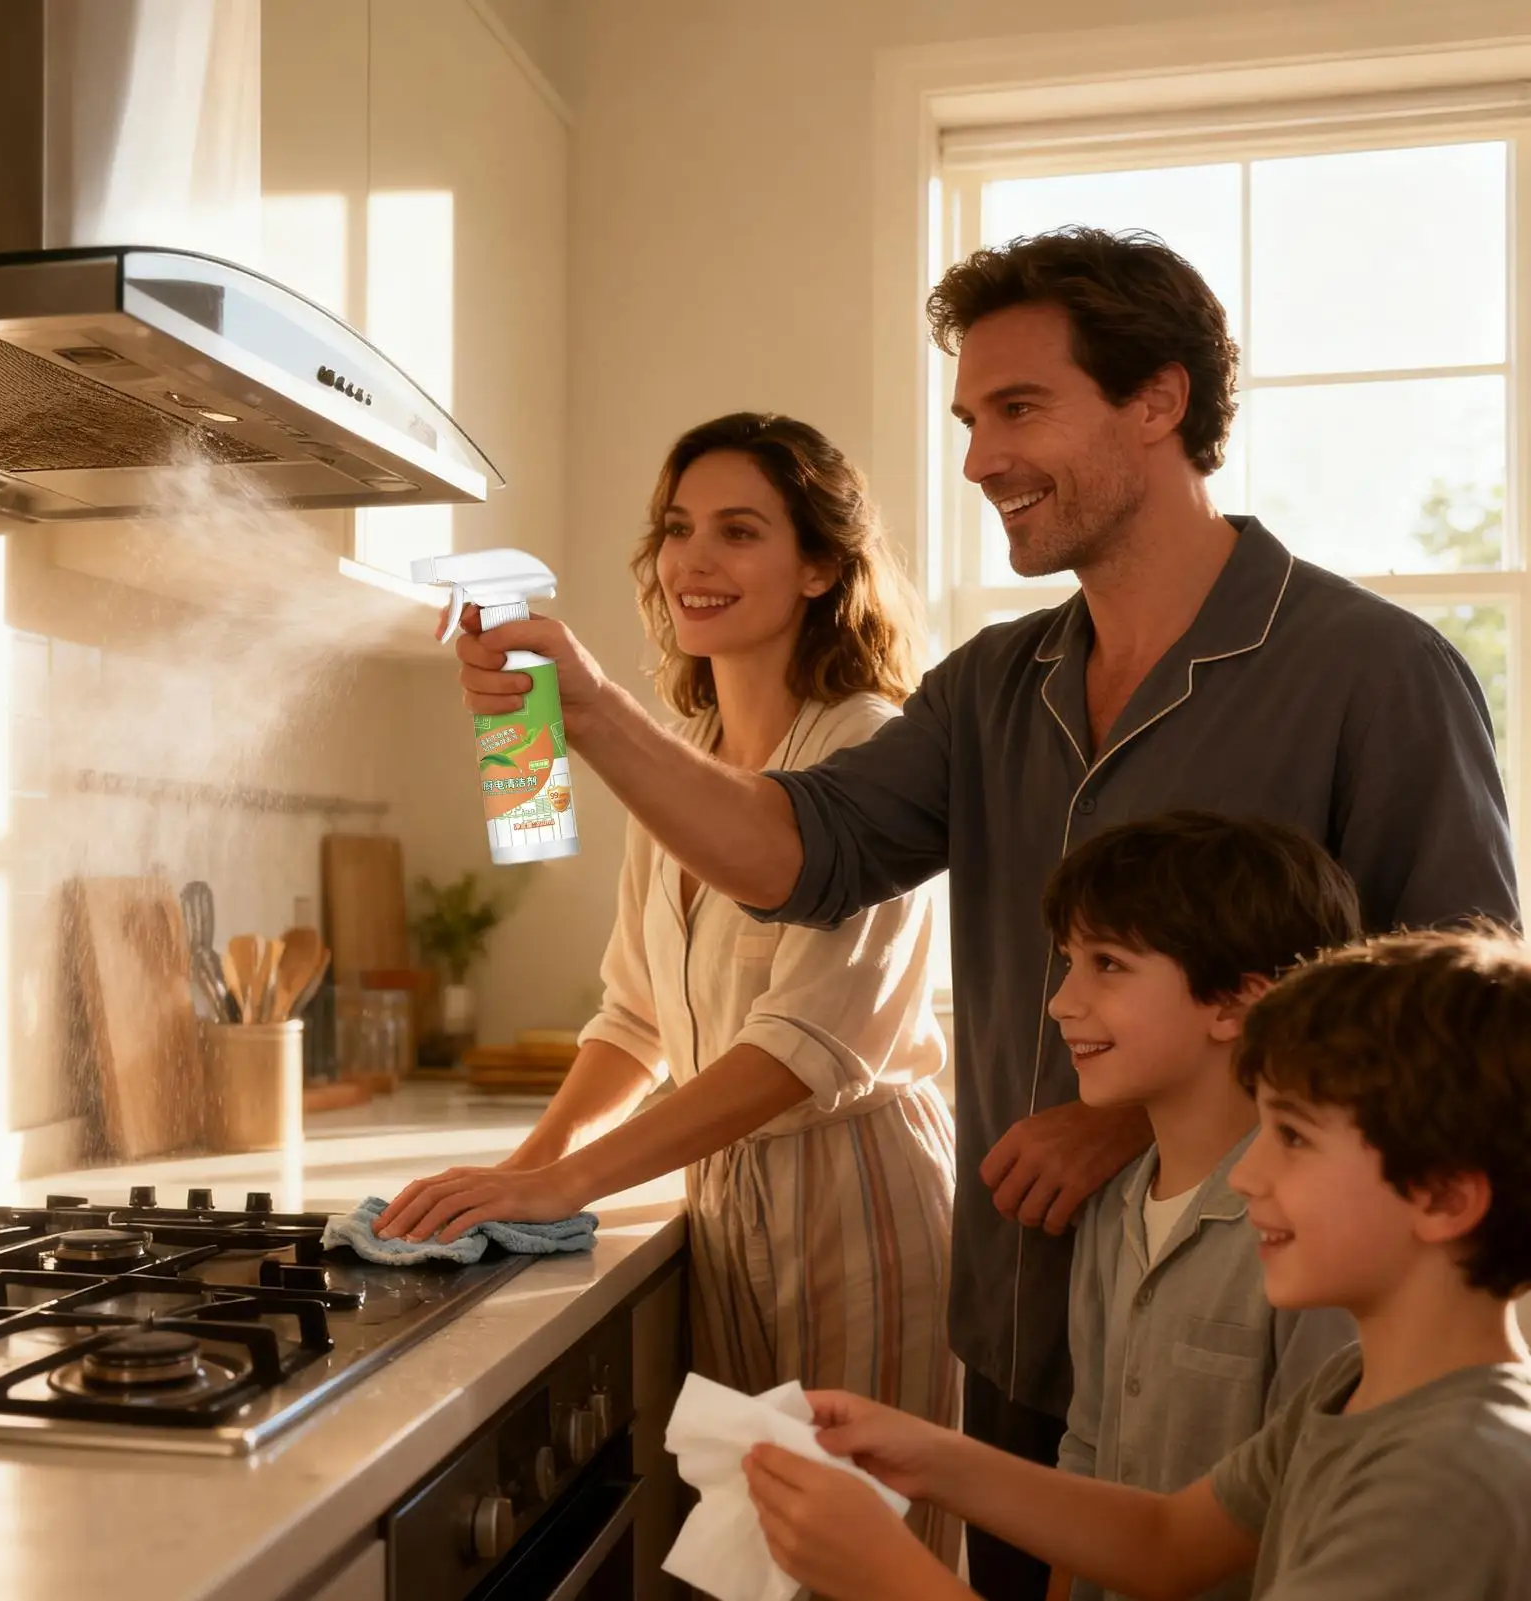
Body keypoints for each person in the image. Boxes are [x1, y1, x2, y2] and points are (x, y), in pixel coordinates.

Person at [439, 228, 1519, 1598]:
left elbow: (1465, 1029)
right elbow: (799, 847)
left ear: (1159, 400)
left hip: (1259, 1349)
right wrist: (586, 708)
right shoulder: (995, 685)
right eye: (968, 418)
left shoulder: (1373, 673)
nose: (976, 460)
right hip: (1020, 1332)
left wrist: (1125, 1113)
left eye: (1018, 409)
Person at [377, 413, 961, 1566]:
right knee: (748, 1561)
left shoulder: (865, 748)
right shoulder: (682, 754)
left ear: (818, 566)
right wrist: (524, 1170)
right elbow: (634, 1014)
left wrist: (567, 1181)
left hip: (858, 1208)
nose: (693, 561)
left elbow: (801, 1050)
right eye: (677, 530)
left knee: (863, 1560)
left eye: (737, 532)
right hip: (721, 1203)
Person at [743, 927, 1531, 1601]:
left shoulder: (1448, 1483)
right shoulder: (1357, 1386)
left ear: (1442, 1196)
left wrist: (887, 1573)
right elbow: (1165, 1540)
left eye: (1291, 1137)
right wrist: (929, 1455)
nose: (1250, 1173)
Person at [1038, 812, 1360, 1601]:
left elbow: (1313, 1509)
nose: (1059, 1002)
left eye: (1106, 964)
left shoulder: (1309, 1232)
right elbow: (1084, 1453)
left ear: (1236, 1005)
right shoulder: (1111, 1207)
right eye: (1068, 962)